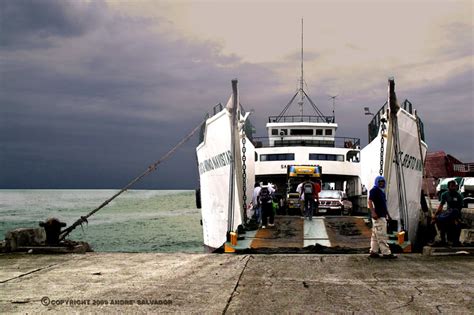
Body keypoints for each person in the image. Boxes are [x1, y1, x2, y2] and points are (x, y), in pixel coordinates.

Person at [368, 176, 397, 259]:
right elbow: (370, 201)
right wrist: (373, 212)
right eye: (380, 182)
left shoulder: (381, 192)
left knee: (375, 235)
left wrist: (388, 214)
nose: (382, 183)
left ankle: (374, 251)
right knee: (382, 235)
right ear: (376, 182)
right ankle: (386, 252)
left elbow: (384, 205)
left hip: (382, 215)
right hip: (378, 216)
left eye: (383, 182)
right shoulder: (374, 190)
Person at [432, 180, 463, 246]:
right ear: (448, 187)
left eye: (454, 186)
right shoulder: (444, 194)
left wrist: (456, 218)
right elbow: (441, 206)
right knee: (439, 221)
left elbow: (459, 209)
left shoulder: (459, 196)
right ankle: (442, 240)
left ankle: (455, 241)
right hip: (448, 213)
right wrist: (435, 215)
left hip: (456, 213)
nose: (453, 188)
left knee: (455, 214)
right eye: (452, 186)